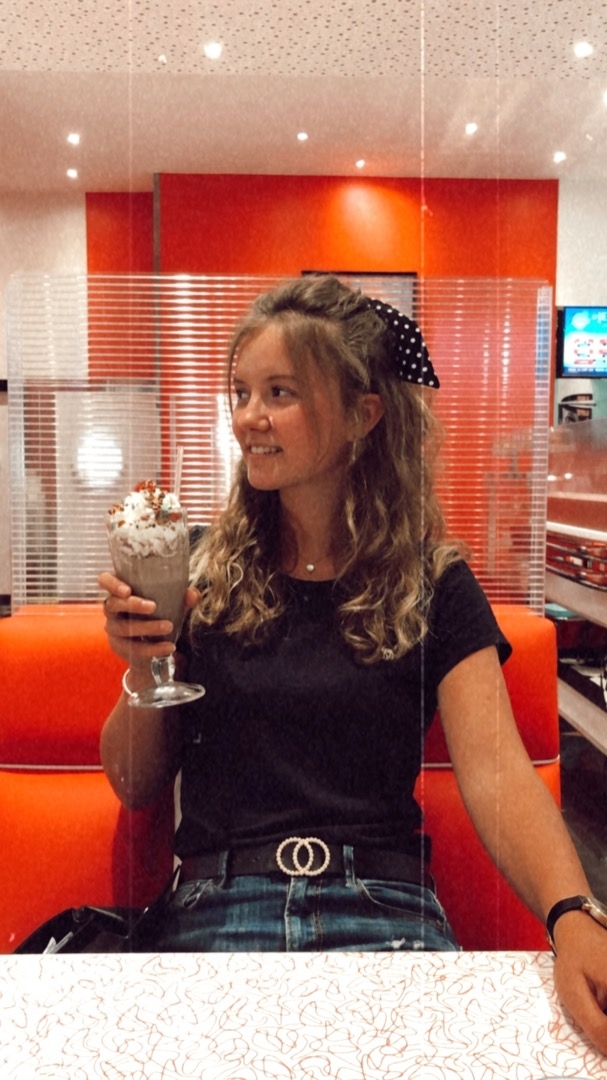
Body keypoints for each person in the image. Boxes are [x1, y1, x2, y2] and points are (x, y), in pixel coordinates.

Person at [99, 273, 607, 1054]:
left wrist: (574, 913)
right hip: (217, 907)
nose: (248, 417)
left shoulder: (433, 581)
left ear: (363, 415)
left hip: (384, 908)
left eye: (279, 393)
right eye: (241, 392)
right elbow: (134, 784)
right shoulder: (196, 570)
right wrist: (142, 669)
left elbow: (499, 773)